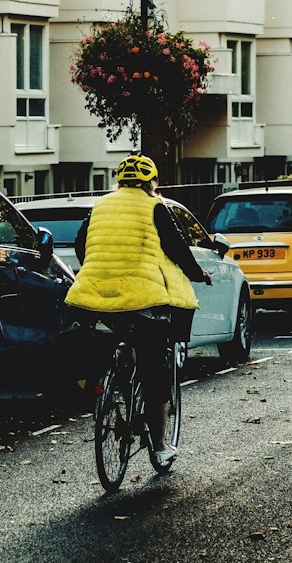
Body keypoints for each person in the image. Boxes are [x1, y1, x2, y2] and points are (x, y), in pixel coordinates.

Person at [65, 153, 211, 465]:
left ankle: (104, 390)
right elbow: (175, 247)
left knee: (102, 341)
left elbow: (82, 245)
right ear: (152, 182)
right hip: (142, 299)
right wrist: (198, 273)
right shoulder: (154, 205)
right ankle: (159, 444)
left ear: (119, 182)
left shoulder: (100, 206)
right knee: (154, 367)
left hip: (94, 296)